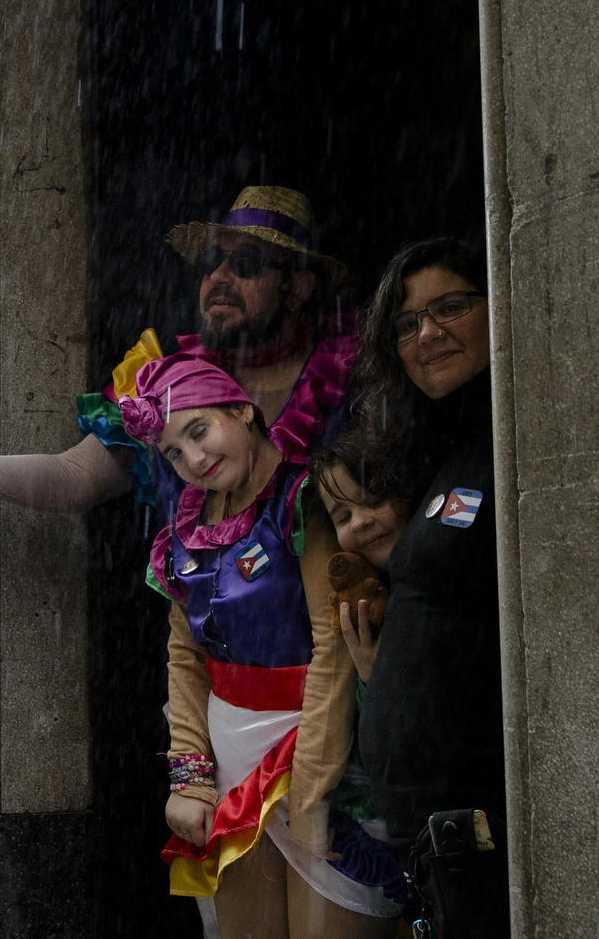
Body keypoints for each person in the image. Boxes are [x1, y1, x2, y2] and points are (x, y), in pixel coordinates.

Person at [0, 185, 356, 513]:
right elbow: (74, 477)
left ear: (298, 288)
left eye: (245, 265)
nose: (218, 279)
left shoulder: (353, 379)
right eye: (211, 263)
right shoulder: (162, 380)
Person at [122, 354, 400, 937]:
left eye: (199, 431)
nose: (193, 460)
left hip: (323, 754)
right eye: (173, 451)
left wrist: (313, 792)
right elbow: (186, 658)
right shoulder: (184, 531)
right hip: (230, 768)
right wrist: (192, 778)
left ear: (243, 410)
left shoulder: (304, 501)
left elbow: (335, 649)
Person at [344, 238, 507, 935]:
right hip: (437, 845)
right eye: (407, 324)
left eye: (449, 308)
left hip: (491, 835)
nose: (428, 334)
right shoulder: (444, 450)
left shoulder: (520, 438)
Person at [308, 442, 415, 682]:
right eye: (343, 517)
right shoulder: (362, 606)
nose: (359, 522)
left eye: (375, 501)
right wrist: (369, 677)